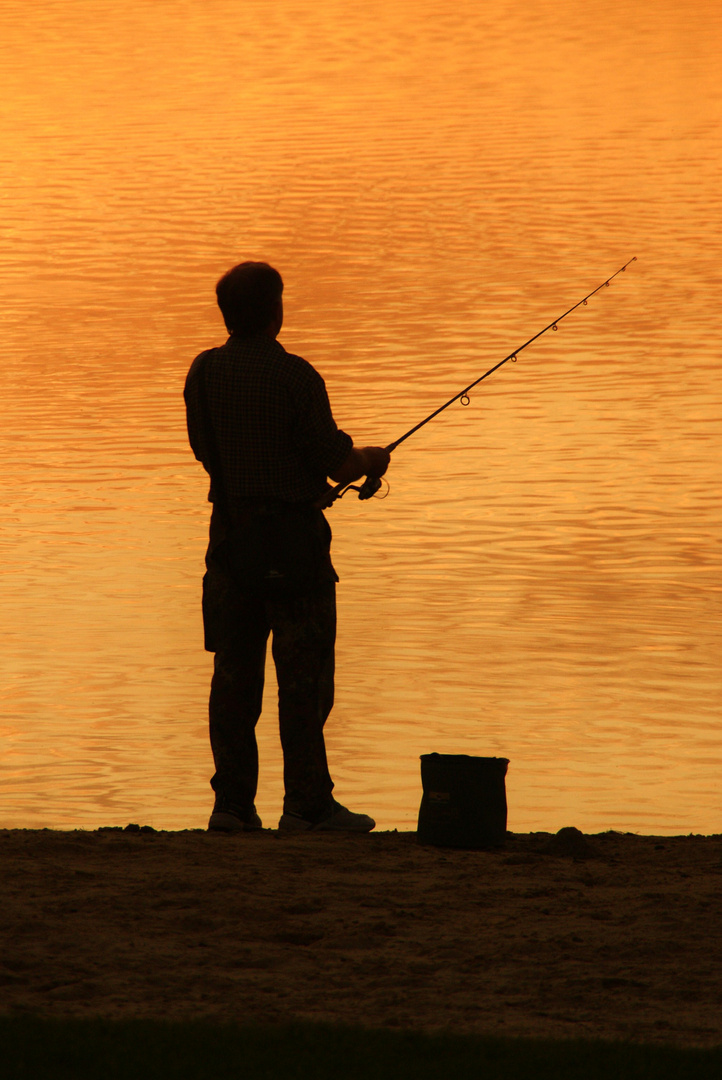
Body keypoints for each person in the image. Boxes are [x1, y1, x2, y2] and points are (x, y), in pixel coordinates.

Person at [184, 261, 390, 834]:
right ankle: (306, 806)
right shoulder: (296, 377)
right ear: (275, 309)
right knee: (303, 681)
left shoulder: (201, 374)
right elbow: (335, 462)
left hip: (230, 546)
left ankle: (231, 807)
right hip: (295, 549)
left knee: (234, 679)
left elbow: (204, 449)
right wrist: (373, 459)